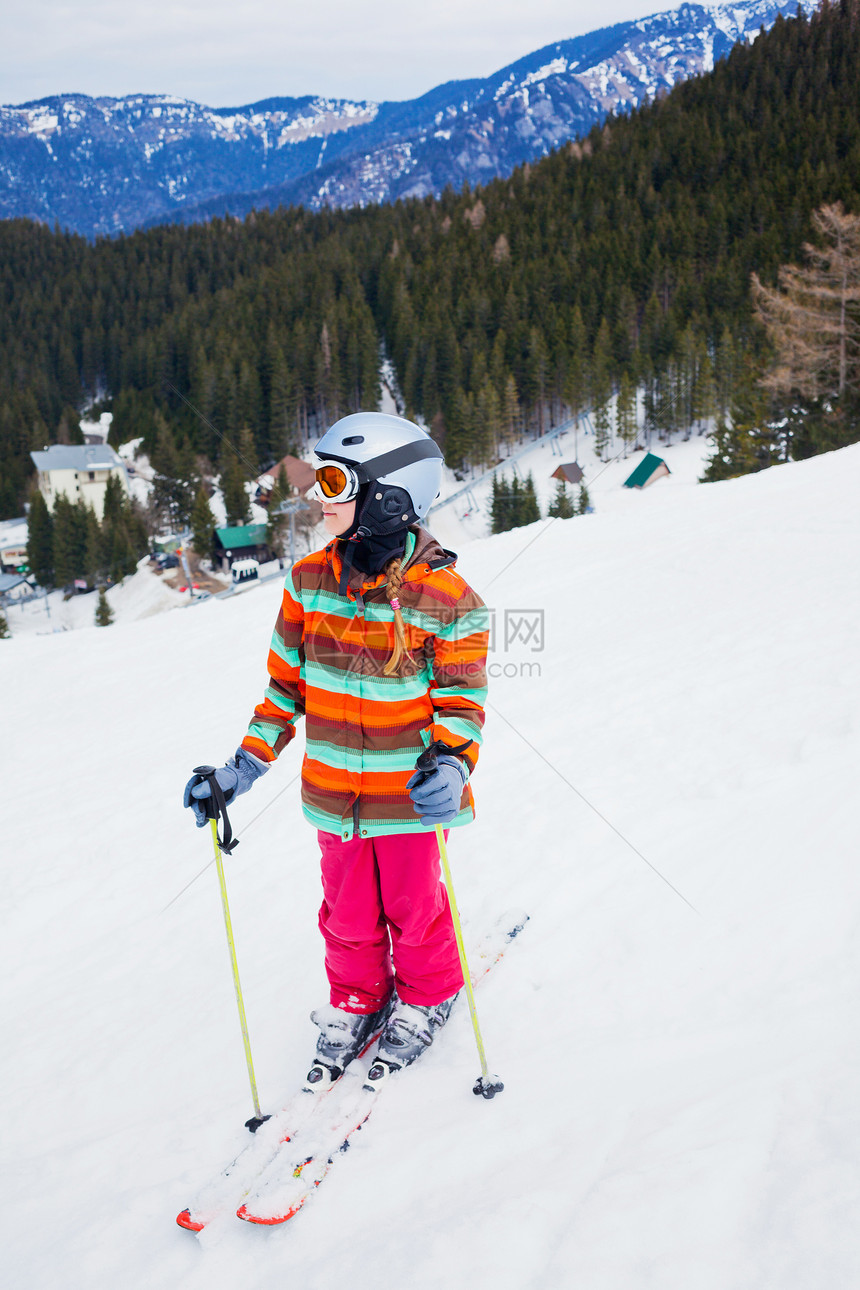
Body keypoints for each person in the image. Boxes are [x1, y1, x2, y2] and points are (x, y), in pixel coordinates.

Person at [184, 412, 489, 1089]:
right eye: (317, 479)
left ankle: (430, 990)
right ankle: (357, 996)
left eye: (334, 482)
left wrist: (451, 761)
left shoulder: (448, 599)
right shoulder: (307, 583)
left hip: (406, 799)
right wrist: (244, 765)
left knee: (415, 908)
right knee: (346, 912)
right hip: (332, 795)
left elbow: (462, 701)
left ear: (388, 495)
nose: (318, 498)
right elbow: (284, 687)